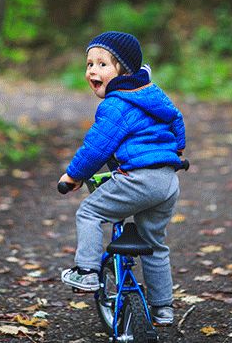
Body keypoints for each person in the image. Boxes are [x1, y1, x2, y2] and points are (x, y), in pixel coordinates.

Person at [58, 31, 186, 326]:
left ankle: (87, 272)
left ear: (123, 71)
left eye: (102, 64)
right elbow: (175, 116)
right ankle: (163, 308)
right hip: (167, 181)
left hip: (137, 180)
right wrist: (177, 148)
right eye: (89, 64)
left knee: (89, 212)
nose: (92, 70)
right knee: (153, 244)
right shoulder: (152, 93)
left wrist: (73, 176)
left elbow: (97, 147)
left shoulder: (116, 105)